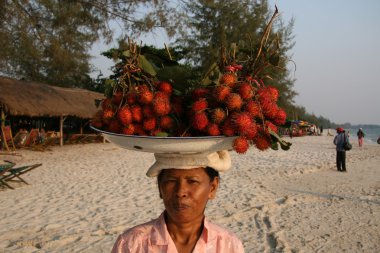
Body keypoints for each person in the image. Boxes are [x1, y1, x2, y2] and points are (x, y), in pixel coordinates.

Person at [111, 151, 245, 253]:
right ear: (159, 187)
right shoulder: (131, 244)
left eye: (192, 181)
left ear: (213, 187)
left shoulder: (229, 246)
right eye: (171, 181)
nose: (181, 192)